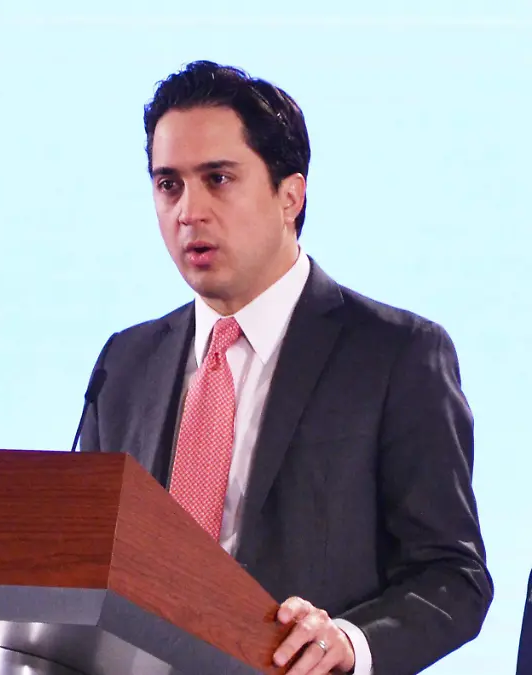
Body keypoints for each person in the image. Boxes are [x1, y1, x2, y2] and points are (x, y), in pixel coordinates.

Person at [78, 60, 492, 675]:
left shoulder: (396, 355)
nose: (189, 211)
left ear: (290, 196)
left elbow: (453, 577)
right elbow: (86, 560)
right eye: (168, 185)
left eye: (218, 179)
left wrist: (350, 641)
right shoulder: (126, 363)